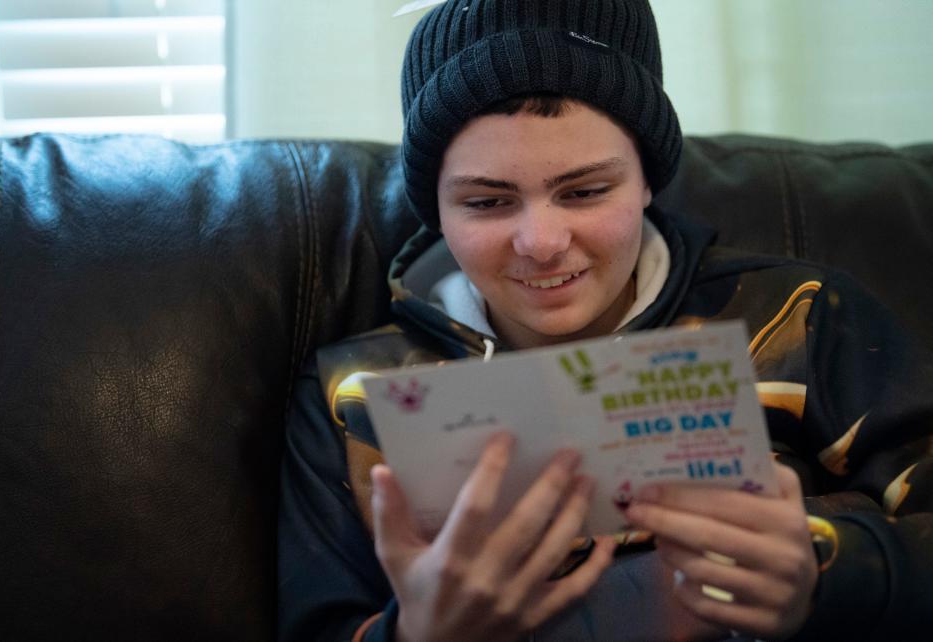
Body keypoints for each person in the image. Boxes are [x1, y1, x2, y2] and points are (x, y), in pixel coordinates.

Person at [278, 1, 933, 640]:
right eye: (485, 202)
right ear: (436, 211)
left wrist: (831, 570)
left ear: (647, 179)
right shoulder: (354, 393)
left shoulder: (800, 318)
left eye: (585, 191)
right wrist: (419, 631)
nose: (540, 241)